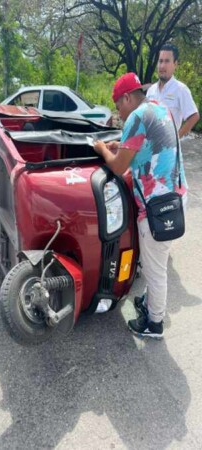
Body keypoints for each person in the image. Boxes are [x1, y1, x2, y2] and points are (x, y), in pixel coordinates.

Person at [92, 72, 188, 339]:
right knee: (157, 261)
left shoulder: (135, 117)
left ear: (127, 97)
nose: (119, 113)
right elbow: (141, 146)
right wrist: (119, 144)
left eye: (118, 105)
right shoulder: (157, 109)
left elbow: (120, 165)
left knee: (154, 269)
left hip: (156, 207)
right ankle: (149, 304)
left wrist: (103, 149)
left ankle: (154, 324)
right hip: (175, 197)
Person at [146, 43, 199, 139]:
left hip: (168, 150)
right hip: (150, 146)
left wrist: (176, 139)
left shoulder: (181, 89)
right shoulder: (151, 90)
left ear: (175, 64)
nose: (162, 66)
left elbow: (194, 116)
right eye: (160, 61)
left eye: (167, 61)